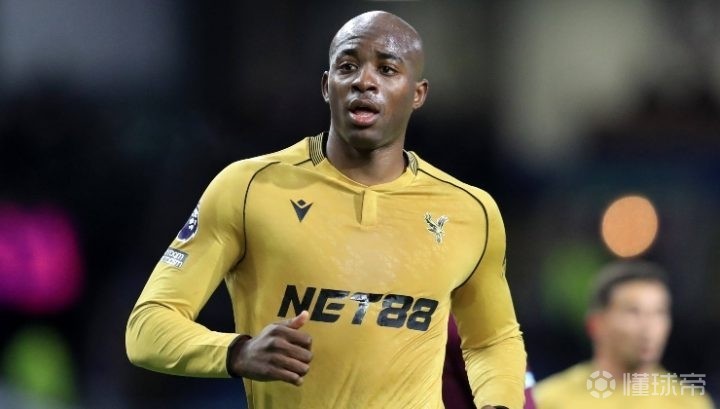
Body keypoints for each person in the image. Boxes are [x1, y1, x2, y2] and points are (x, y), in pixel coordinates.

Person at [126, 10, 526, 409]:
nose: (364, 81)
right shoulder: (248, 188)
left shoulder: (470, 211)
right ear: (326, 85)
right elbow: (147, 326)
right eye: (347, 66)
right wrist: (237, 352)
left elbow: (492, 340)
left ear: (417, 94)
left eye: (387, 69)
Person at [534, 260, 715, 409]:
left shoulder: (690, 403)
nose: (648, 327)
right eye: (633, 312)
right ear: (596, 324)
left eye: (659, 312)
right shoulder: (547, 401)